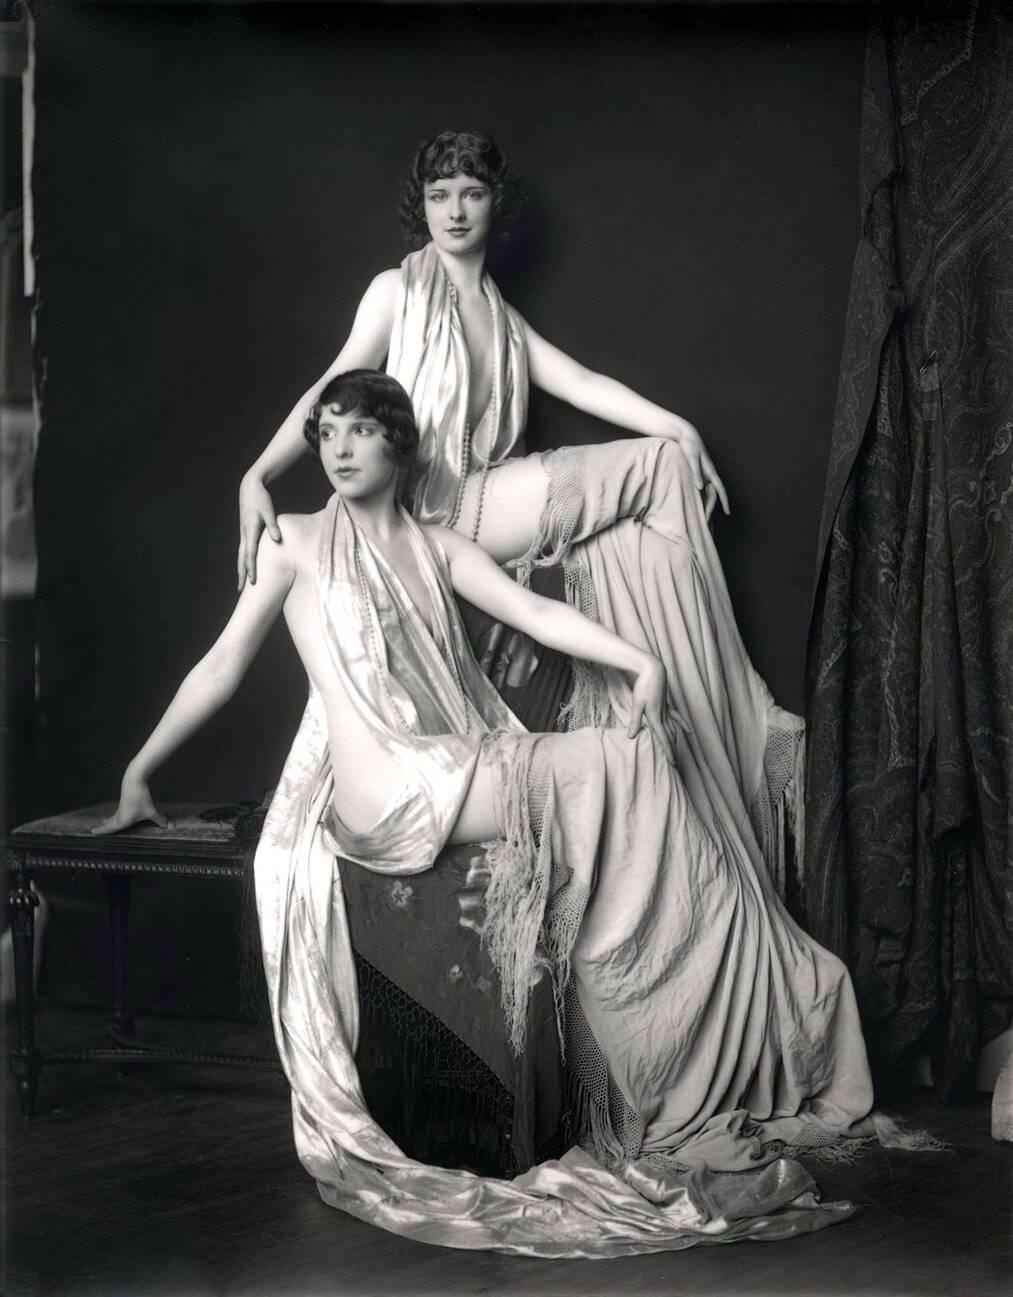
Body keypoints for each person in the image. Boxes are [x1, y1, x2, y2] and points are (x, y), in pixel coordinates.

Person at [97, 370, 894, 1257]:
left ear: (400, 444)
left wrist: (642, 665)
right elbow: (218, 665)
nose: (339, 449)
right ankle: (665, 1069)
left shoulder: (436, 548)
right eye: (326, 433)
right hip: (387, 794)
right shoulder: (292, 540)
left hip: (446, 764)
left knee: (627, 759)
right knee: (610, 765)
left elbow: (536, 612)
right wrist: (141, 770)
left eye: (359, 430)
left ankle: (670, 1044)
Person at [235, 130, 806, 905]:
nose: (455, 210)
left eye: (471, 192)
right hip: (434, 517)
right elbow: (327, 389)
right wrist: (257, 474)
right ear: (423, 208)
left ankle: (734, 710)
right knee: (651, 469)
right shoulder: (396, 292)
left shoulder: (500, 316)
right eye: (439, 195)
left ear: (493, 203)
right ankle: (745, 714)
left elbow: (579, 379)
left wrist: (682, 425)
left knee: (665, 466)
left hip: (486, 496)